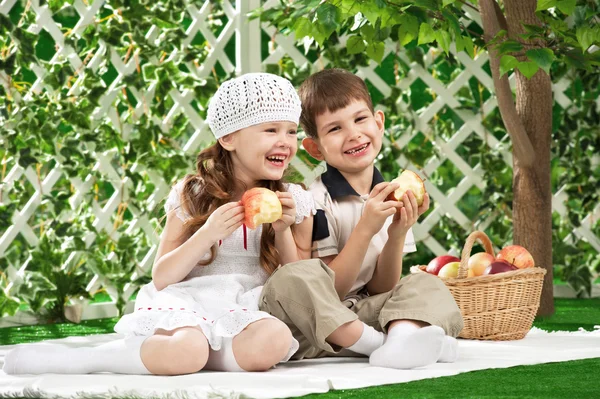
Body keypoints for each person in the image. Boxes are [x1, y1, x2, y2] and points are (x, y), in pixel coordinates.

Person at [3, 73, 315, 375]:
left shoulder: (293, 201)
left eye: (291, 132)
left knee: (273, 339)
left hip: (249, 308)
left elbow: (296, 282)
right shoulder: (194, 194)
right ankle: (87, 360)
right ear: (229, 137)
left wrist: (283, 230)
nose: (285, 142)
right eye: (271, 130)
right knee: (188, 347)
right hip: (189, 304)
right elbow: (163, 276)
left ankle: (188, 357)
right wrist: (208, 233)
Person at [259, 68, 464, 369]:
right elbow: (330, 290)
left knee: (426, 284)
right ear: (315, 148)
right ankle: (385, 343)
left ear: (378, 123)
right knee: (290, 279)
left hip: (364, 309)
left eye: (360, 119)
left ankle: (403, 337)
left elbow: (382, 287)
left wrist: (397, 233)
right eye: (335, 129)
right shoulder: (315, 201)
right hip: (318, 324)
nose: (353, 134)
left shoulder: (388, 194)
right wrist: (365, 229)